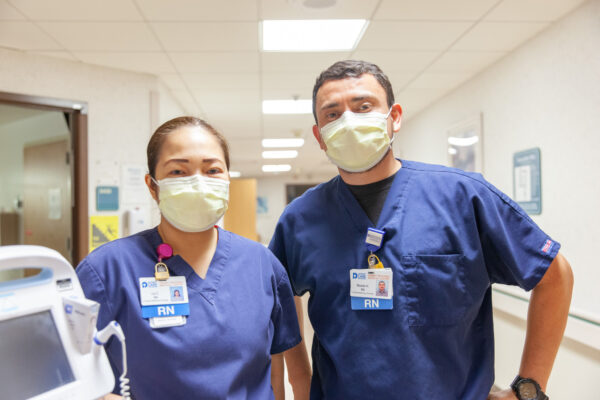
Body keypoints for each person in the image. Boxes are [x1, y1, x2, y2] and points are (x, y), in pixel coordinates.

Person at [270, 60, 574, 400]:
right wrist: (301, 381)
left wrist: (527, 388)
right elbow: (277, 298)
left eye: (363, 107)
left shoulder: (462, 196)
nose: (349, 122)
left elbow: (555, 274)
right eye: (332, 114)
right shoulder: (300, 219)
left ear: (394, 117)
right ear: (320, 136)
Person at [77, 116, 307, 400]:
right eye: (178, 171)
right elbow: (68, 373)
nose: (198, 182)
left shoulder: (262, 264)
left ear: (227, 179)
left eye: (212, 170)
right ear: (152, 186)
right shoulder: (107, 270)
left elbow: (275, 368)